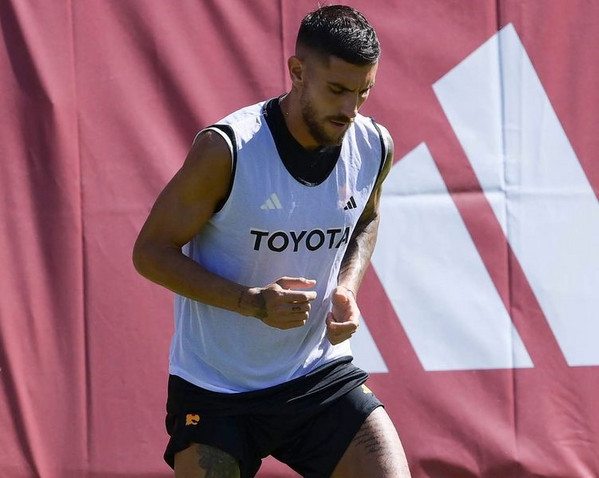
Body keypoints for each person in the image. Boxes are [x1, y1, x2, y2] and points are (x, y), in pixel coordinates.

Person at [133, 4, 411, 477]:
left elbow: (366, 219)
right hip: (216, 389)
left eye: (363, 92)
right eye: (337, 90)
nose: (351, 109)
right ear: (297, 72)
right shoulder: (228, 149)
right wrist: (252, 302)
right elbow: (150, 253)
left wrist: (347, 286)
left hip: (317, 375)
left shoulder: (373, 145)